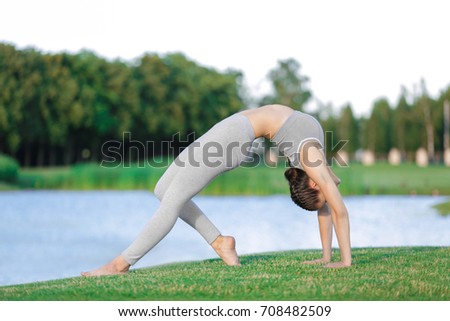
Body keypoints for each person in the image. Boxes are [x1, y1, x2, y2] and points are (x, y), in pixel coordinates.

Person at [82, 104, 351, 276]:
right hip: (233, 133)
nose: (328, 196)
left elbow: (328, 206)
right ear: (315, 182)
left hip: (234, 136)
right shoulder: (313, 160)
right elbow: (338, 210)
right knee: (164, 189)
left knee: (173, 199)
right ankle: (221, 242)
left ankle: (119, 264)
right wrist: (340, 260)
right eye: (325, 191)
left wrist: (331, 258)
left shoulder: (313, 164)